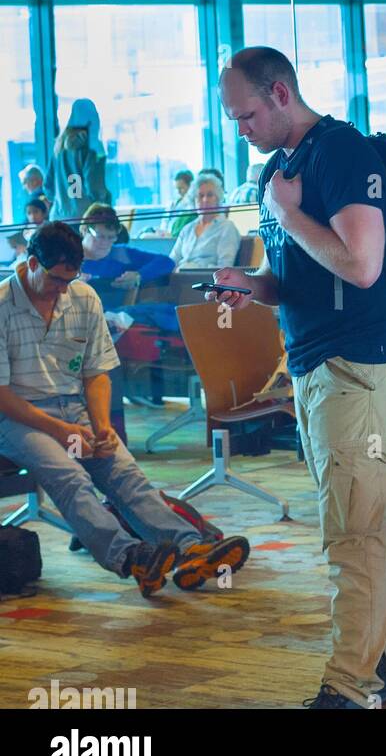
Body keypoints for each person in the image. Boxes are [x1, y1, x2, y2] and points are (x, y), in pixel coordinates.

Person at [214, 46, 386, 710]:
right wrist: (252, 286)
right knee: (368, 520)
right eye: (232, 118)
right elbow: (304, 278)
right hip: (319, 362)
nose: (241, 129)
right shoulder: (280, 171)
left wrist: (287, 215)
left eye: (247, 113)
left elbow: (362, 265)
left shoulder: (341, 153)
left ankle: (349, 685)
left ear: (280, 93)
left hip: (361, 365)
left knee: (352, 531)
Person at [0, 223, 250, 597]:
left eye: (71, 279)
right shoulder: (3, 305)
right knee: (71, 478)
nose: (62, 289)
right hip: (19, 416)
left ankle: (191, 548)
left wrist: (101, 426)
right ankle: (132, 557)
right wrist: (59, 430)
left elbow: (97, 373)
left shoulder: (83, 298)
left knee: (123, 472)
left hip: (74, 409)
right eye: (56, 280)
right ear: (32, 263)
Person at [80, 203, 176, 308]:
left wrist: (139, 275)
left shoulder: (120, 254)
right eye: (100, 236)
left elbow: (166, 262)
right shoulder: (68, 257)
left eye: (111, 237)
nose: (105, 243)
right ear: (85, 230)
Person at [45, 99, 111, 222]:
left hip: (59, 217)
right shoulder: (92, 147)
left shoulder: (59, 148)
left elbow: (48, 186)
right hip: (85, 216)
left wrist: (63, 200)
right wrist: (105, 202)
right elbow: (94, 186)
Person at [168, 173, 240, 271]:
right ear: (194, 200)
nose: (205, 200)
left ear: (218, 198)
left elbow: (225, 268)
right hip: (179, 280)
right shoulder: (187, 229)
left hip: (205, 282)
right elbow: (172, 261)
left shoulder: (227, 227)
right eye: (200, 196)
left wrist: (193, 270)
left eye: (210, 195)